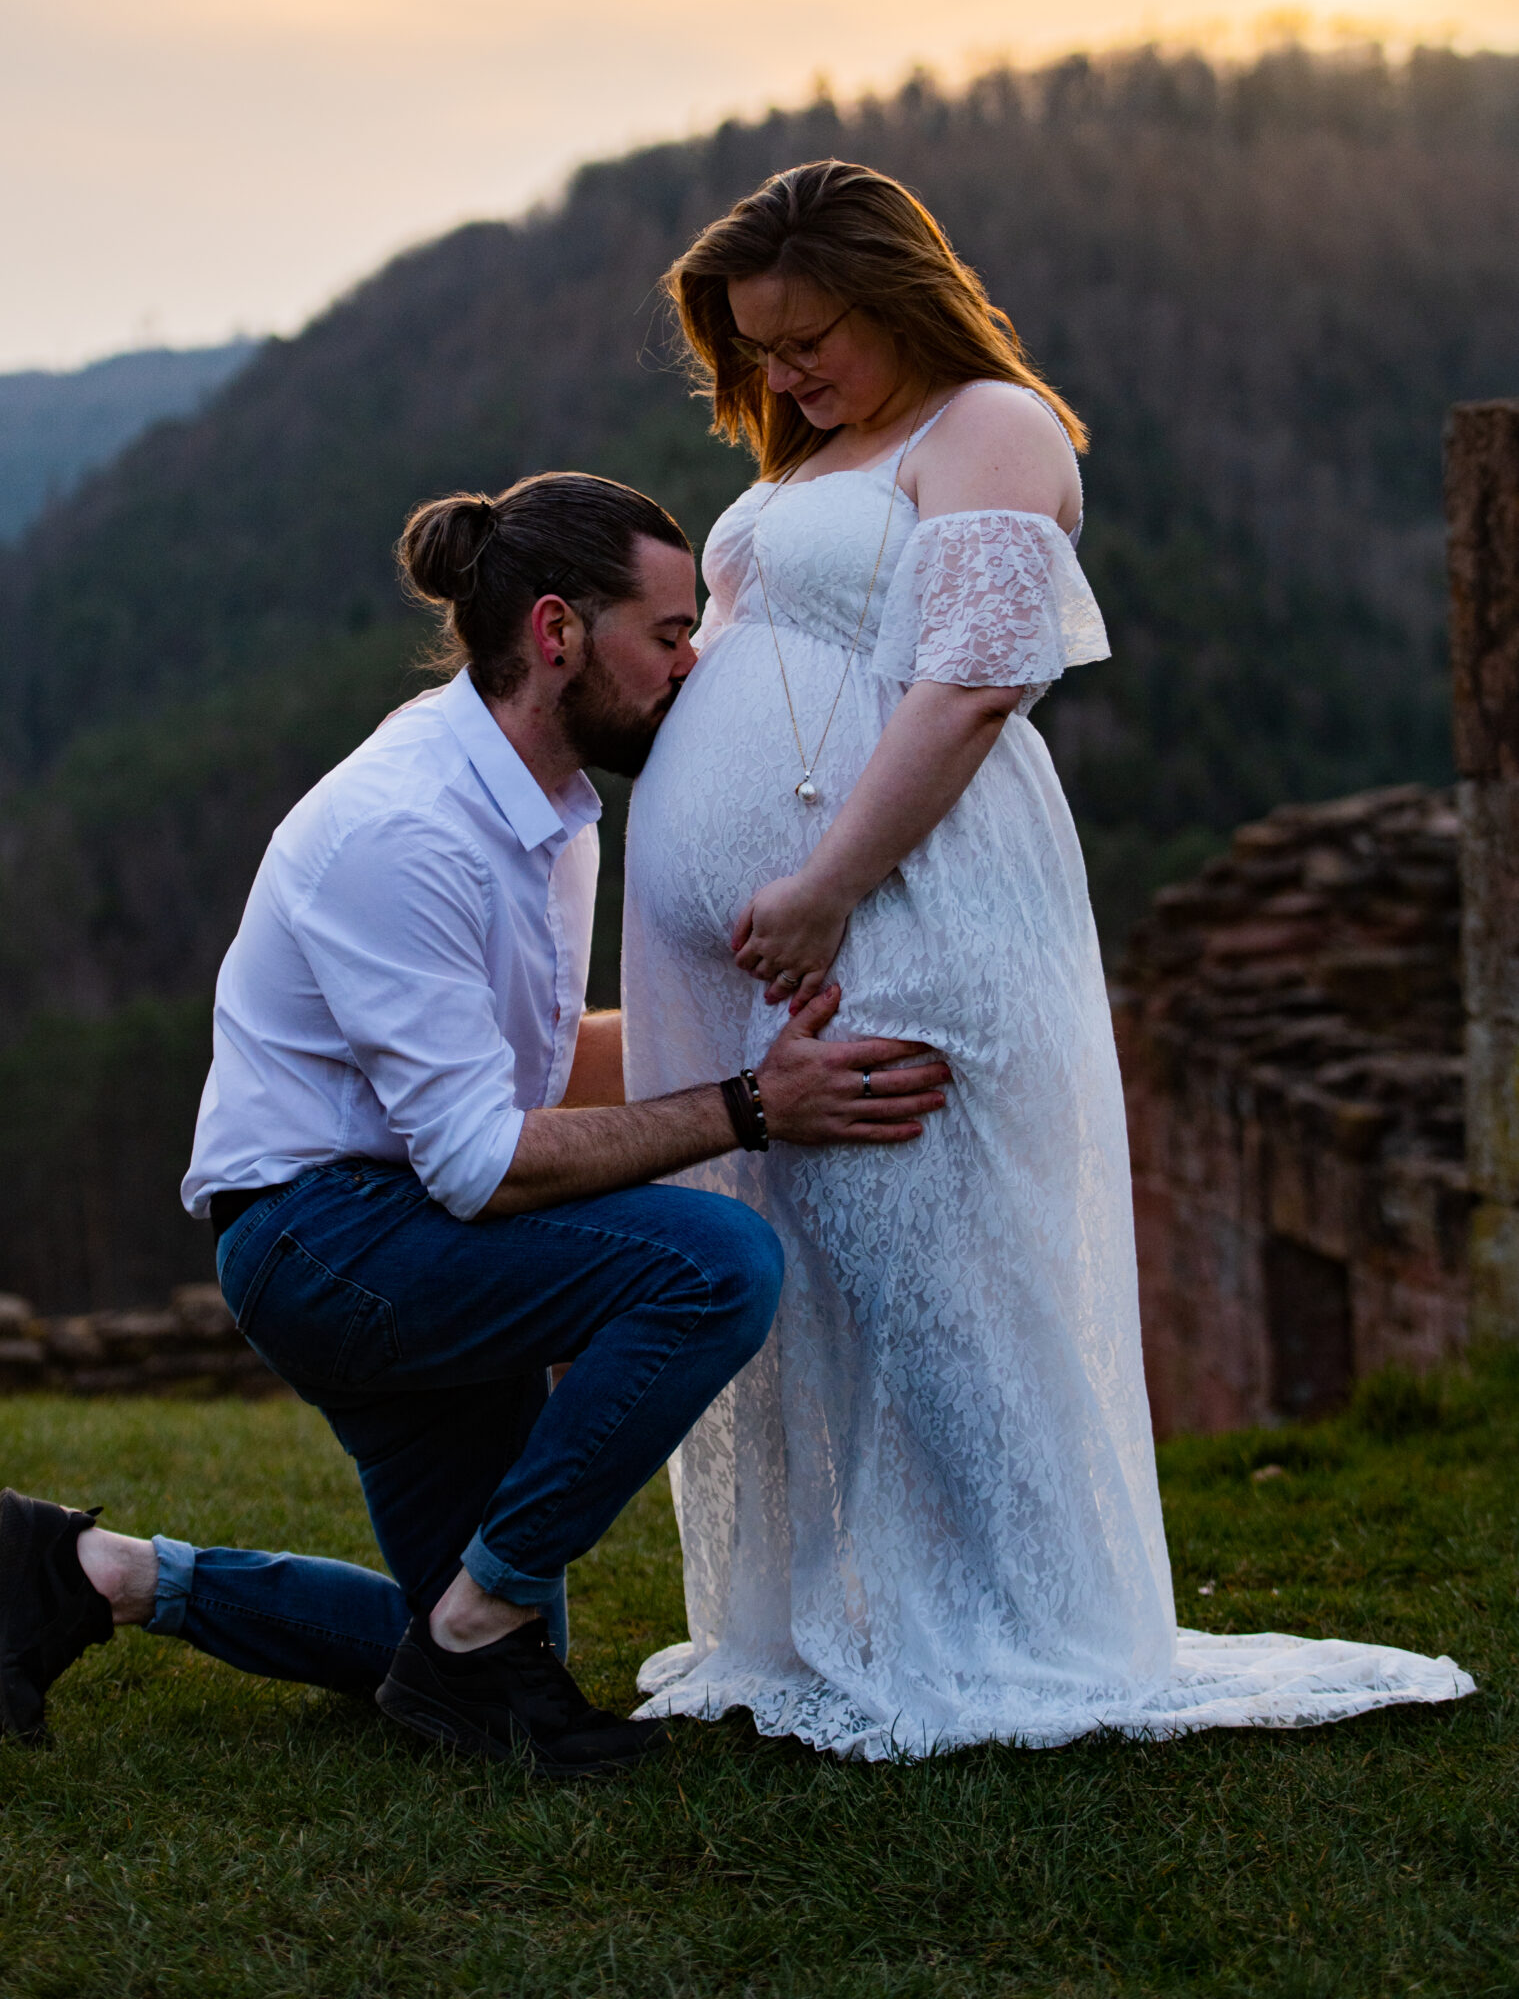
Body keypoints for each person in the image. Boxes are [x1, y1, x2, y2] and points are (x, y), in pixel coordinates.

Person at [623, 159, 1474, 1758]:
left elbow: (972, 683)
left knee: (937, 1272)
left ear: (895, 293)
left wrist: (821, 887)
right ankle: (853, 1617)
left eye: (811, 337)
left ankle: (1018, 1630)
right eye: (759, 349)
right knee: (829, 1289)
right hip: (797, 932)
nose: (785, 374)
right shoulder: (833, 451)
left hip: (916, 903)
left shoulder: (988, 427)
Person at [0, 470, 949, 1779]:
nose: (689, 663)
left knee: (473, 1642)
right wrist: (753, 1109)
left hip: (398, 1218)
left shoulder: (548, 809)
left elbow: (525, 1074)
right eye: (665, 632)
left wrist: (756, 1055)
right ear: (557, 635)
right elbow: (484, 1162)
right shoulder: (409, 832)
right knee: (718, 1267)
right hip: (328, 1242)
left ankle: (94, 1574)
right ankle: (474, 1635)